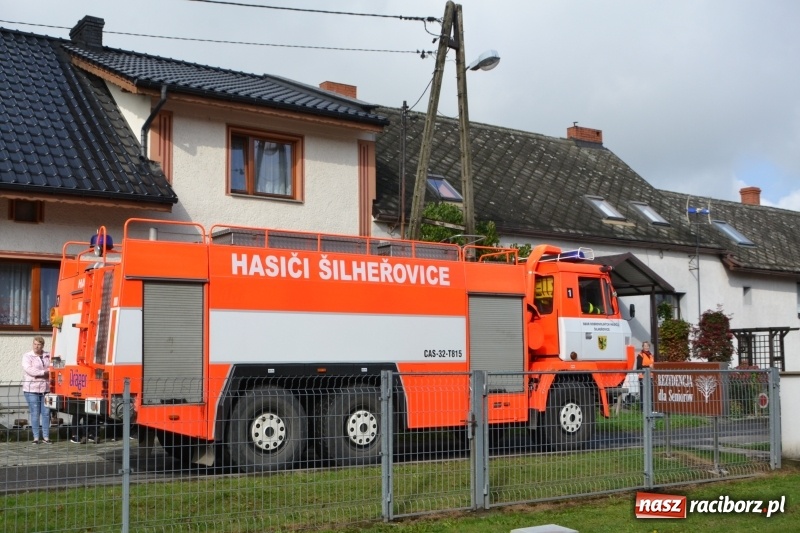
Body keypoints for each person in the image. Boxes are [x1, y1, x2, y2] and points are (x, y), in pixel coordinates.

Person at [22, 336, 52, 444]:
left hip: (46, 389)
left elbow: (54, 367)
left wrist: (46, 372)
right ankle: (36, 437)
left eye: (38, 344)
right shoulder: (27, 356)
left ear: (42, 346)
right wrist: (44, 373)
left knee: (46, 413)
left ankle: (46, 437)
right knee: (35, 413)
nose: (36, 346)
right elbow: (29, 370)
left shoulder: (48, 355)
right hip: (31, 389)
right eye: (34, 344)